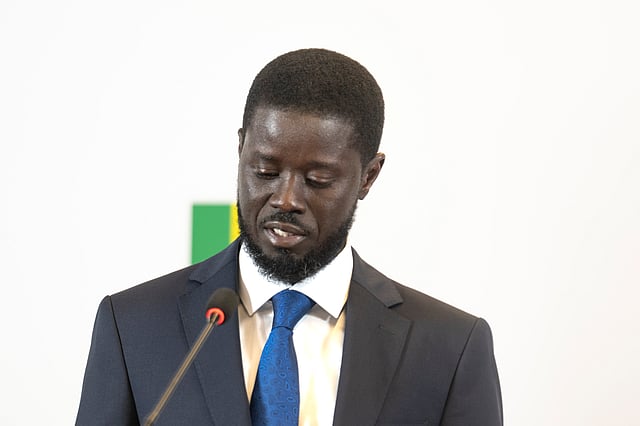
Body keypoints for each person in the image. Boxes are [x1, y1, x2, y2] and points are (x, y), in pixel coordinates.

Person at [76, 48, 503, 425]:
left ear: (368, 176)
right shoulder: (133, 326)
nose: (286, 199)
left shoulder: (450, 348)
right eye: (265, 171)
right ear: (241, 149)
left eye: (318, 180)